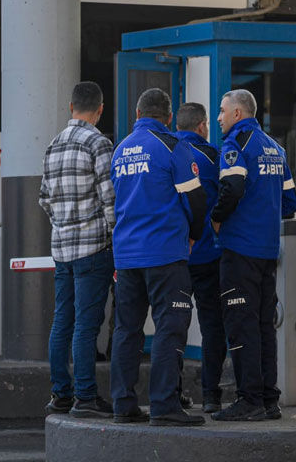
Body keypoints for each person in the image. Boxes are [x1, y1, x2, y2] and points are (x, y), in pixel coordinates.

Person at [109, 88, 208, 426]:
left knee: (127, 330)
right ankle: (164, 405)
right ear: (168, 117)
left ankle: (123, 404)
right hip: (165, 253)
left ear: (138, 115)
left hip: (125, 256)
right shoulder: (173, 147)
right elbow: (196, 201)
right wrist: (195, 235)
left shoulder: (120, 150)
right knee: (170, 327)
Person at [210, 89, 296, 422]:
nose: (218, 117)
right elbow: (291, 203)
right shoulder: (275, 148)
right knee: (264, 325)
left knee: (241, 324)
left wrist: (216, 217)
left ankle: (249, 400)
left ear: (237, 113)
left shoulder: (235, 145)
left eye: (221, 111)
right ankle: (268, 400)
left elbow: (231, 188)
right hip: (266, 251)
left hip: (240, 249)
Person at [39, 82, 116, 417]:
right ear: (100, 110)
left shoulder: (53, 145)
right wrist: (116, 239)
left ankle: (61, 395)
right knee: (87, 325)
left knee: (62, 322)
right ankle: (86, 396)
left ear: (71, 107)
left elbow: (43, 198)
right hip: (93, 248)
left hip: (62, 249)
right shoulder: (99, 143)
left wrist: (62, 222)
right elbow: (110, 199)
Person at [174, 102, 225, 413]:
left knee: (174, 325)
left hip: (175, 257)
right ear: (202, 126)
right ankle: (210, 395)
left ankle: (174, 392)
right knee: (212, 326)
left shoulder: (168, 153)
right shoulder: (212, 157)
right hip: (208, 254)